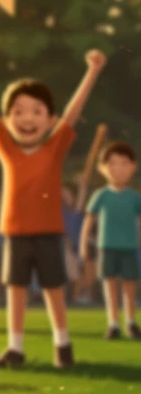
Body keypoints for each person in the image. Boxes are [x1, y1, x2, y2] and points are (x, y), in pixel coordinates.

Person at [0, 48, 107, 368]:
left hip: (48, 231)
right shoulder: (6, 148)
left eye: (36, 111)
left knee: (54, 289)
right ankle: (15, 348)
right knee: (16, 289)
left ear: (50, 120)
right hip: (14, 233)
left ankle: (63, 344)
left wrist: (92, 72)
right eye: (18, 111)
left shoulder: (54, 148)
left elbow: (73, 111)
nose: (27, 119)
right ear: (8, 119)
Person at [80, 141, 141, 340]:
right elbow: (89, 219)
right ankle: (113, 323)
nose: (118, 169)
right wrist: (83, 244)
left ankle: (131, 321)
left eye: (124, 163)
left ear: (133, 167)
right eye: (113, 163)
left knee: (130, 285)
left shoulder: (134, 197)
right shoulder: (101, 195)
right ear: (103, 168)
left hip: (129, 246)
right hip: (106, 246)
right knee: (110, 284)